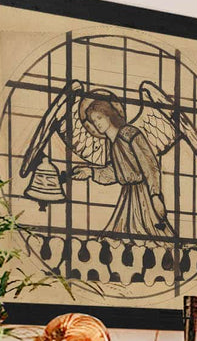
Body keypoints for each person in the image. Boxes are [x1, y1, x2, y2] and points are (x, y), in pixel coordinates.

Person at [68, 95, 173, 237]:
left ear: (109, 115)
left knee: (152, 233)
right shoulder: (111, 144)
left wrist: (155, 195)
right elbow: (114, 173)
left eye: (99, 118)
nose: (97, 123)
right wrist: (90, 172)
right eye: (93, 121)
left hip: (144, 194)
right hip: (128, 195)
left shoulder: (129, 133)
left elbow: (149, 164)